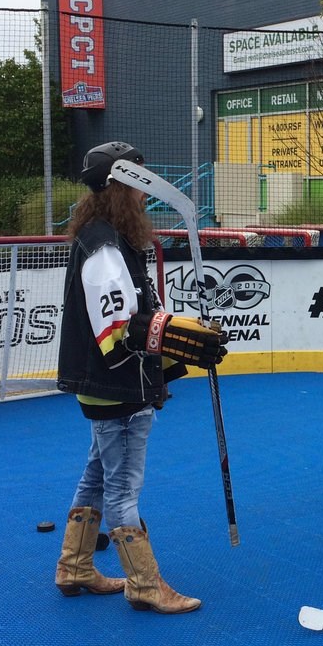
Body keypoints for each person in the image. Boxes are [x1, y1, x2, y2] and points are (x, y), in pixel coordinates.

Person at [55, 140, 227, 614]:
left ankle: (74, 566)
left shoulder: (104, 236)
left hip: (106, 385)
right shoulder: (106, 246)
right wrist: (183, 336)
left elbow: (132, 316)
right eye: (136, 183)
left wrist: (173, 341)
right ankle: (145, 584)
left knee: (97, 473)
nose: (143, 196)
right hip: (118, 387)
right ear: (119, 188)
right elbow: (117, 332)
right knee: (123, 488)